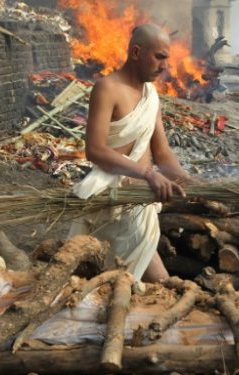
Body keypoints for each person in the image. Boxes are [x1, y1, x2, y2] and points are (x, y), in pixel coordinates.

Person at [68, 24, 193, 282]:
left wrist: (188, 181)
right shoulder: (107, 88)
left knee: (130, 281)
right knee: (158, 281)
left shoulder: (151, 95)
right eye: (159, 57)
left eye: (167, 59)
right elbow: (95, 150)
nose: (164, 66)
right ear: (136, 52)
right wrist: (148, 174)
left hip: (140, 200)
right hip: (113, 198)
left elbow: (162, 151)